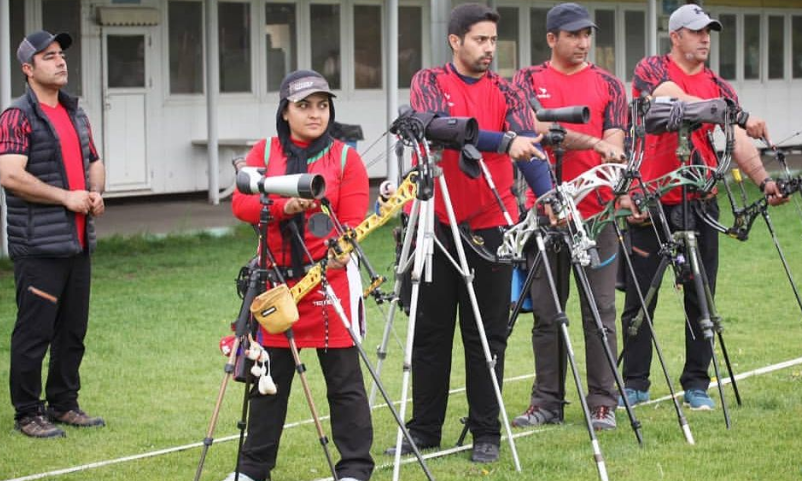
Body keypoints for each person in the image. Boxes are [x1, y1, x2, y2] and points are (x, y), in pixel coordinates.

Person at [384, 3, 550, 464]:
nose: (489, 49)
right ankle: (425, 430)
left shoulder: (508, 89)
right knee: (431, 334)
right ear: (455, 41)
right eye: (480, 40)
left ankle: (486, 434)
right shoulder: (429, 82)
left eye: (493, 41)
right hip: (434, 226)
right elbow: (436, 127)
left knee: (486, 335)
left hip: (492, 225)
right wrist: (501, 141)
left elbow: (528, 147)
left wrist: (550, 197)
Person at [619, 4, 787, 411]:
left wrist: (764, 181)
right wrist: (734, 114)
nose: (705, 38)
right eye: (696, 32)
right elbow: (672, 98)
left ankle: (697, 384)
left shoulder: (720, 85)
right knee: (642, 296)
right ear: (675, 36)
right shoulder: (652, 68)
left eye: (708, 31)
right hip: (654, 200)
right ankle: (635, 383)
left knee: (701, 296)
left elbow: (738, 141)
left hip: (701, 202)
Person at [224, 70, 373, 481]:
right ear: (285, 111)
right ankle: (253, 469)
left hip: (328, 284)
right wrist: (282, 206)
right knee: (267, 380)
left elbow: (353, 219)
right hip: (276, 284)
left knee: (345, 384)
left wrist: (342, 249)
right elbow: (241, 203)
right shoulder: (264, 150)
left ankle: (355, 469)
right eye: (303, 105)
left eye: (322, 105)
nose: (315, 114)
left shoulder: (345, 157)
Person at [510, 2, 642, 432]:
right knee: (548, 313)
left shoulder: (609, 84)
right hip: (547, 213)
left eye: (587, 34)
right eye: (573, 35)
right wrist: (593, 142)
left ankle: (603, 402)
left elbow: (615, 139)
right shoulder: (526, 81)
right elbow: (534, 132)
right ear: (551, 38)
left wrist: (610, 149)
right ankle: (546, 400)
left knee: (600, 311)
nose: (584, 43)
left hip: (597, 217)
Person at [0, 30, 106, 439]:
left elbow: (94, 161)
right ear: (28, 69)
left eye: (61, 55)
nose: (60, 62)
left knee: (72, 329)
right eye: (49, 57)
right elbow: (10, 175)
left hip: (77, 242)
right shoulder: (17, 116)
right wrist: (66, 197)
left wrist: (95, 193)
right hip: (38, 246)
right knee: (34, 331)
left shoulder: (76, 113)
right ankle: (27, 412)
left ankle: (64, 403)